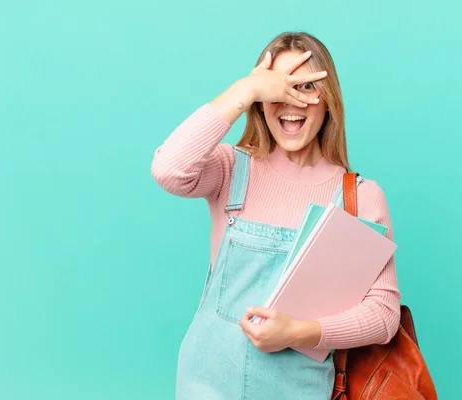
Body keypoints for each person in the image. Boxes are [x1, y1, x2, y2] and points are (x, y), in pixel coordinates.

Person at [151, 31, 401, 400]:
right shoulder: (230, 169)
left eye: (303, 87)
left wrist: (299, 333)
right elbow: (169, 170)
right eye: (277, 89)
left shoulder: (358, 198)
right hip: (205, 382)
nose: (290, 101)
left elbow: (383, 315)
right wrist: (245, 89)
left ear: (328, 100)